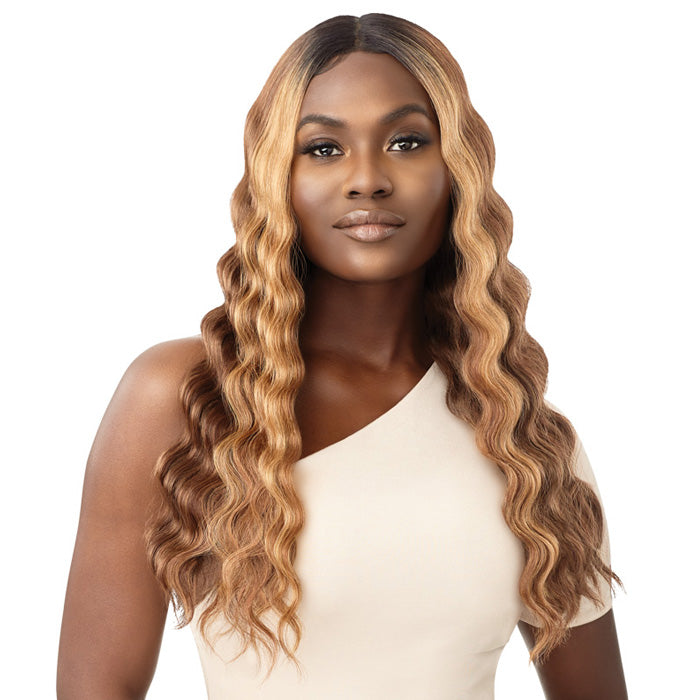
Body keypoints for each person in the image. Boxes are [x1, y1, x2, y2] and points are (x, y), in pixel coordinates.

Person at [57, 13, 627, 700]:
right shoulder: (188, 395)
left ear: (457, 171)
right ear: (279, 176)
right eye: (324, 148)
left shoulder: (527, 440)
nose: (367, 179)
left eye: (407, 142)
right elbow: (97, 689)